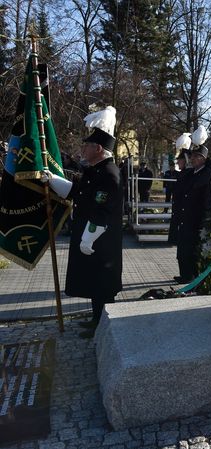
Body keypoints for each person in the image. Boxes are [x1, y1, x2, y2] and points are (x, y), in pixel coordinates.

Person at [42, 110, 123, 339]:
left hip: (100, 240)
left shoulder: (109, 173)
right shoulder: (95, 171)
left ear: (98, 148)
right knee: (95, 282)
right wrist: (53, 180)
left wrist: (88, 236)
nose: (82, 150)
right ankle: (97, 319)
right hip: (93, 238)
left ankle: (104, 326)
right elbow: (78, 192)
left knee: (102, 284)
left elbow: (102, 209)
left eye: (86, 146)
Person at [173, 144, 211, 284]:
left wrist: (204, 221)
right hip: (185, 219)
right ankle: (184, 275)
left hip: (195, 220)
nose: (193, 159)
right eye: (192, 156)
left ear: (203, 159)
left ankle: (190, 277)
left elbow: (209, 200)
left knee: (191, 251)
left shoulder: (207, 175)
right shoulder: (191, 173)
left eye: (197, 156)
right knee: (182, 251)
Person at [168, 151, 189, 245]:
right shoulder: (181, 173)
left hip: (181, 205)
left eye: (179, 160)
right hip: (177, 204)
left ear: (185, 161)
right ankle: (174, 239)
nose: (177, 163)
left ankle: (176, 240)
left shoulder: (187, 174)